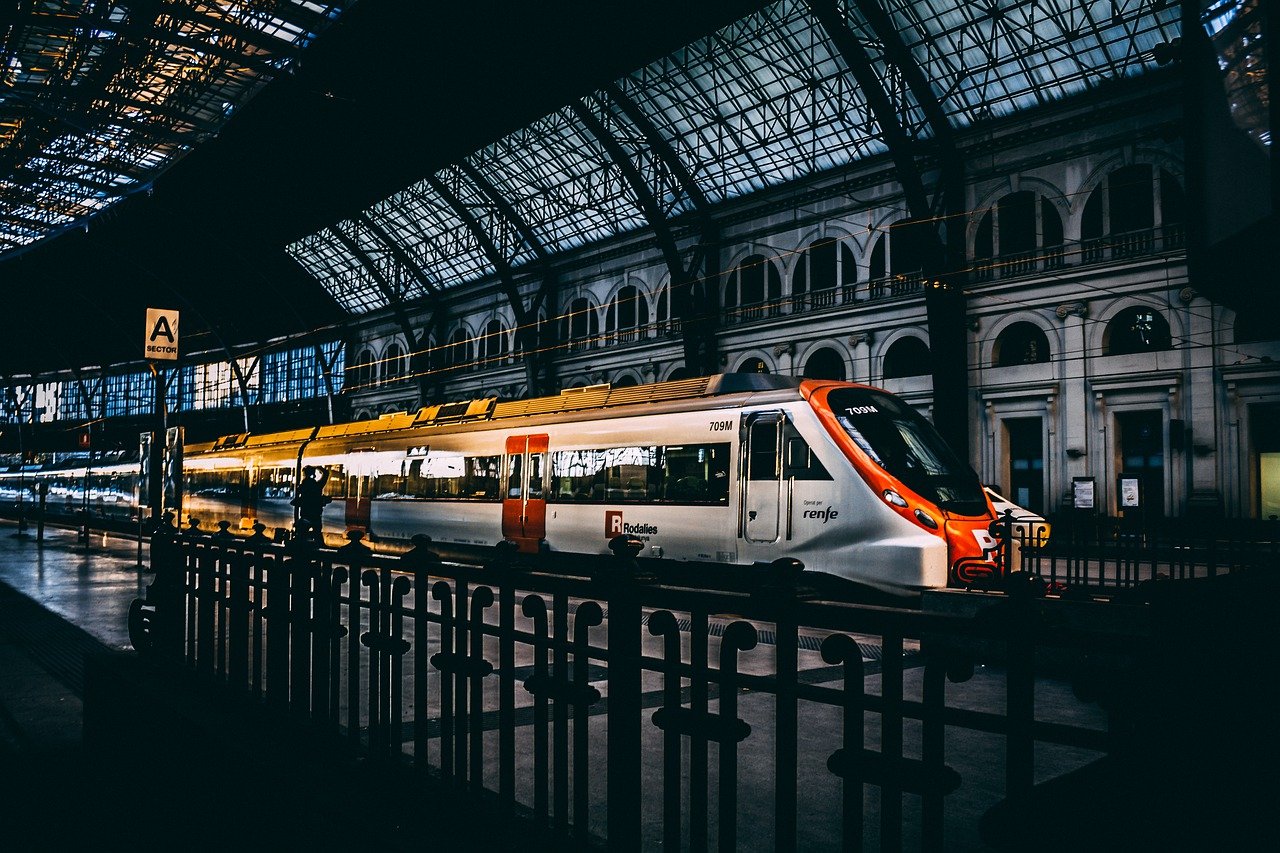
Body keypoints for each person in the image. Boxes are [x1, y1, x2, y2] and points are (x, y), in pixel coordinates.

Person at [291, 465, 332, 532]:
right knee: (317, 533)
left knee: (302, 534)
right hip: (316, 514)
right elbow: (326, 474)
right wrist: (319, 468)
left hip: (305, 514)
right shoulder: (317, 486)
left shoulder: (302, 487)